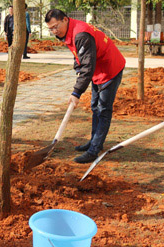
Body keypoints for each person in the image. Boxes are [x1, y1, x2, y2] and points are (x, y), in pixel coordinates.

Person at [45, 9, 125, 163]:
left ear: (65, 20)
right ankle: (95, 142)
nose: (54, 31)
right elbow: (79, 56)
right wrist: (77, 69)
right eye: (51, 29)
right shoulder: (70, 32)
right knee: (95, 106)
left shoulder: (81, 34)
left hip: (110, 69)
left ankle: (94, 150)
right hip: (97, 70)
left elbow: (87, 66)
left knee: (103, 110)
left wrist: (76, 93)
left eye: (56, 26)